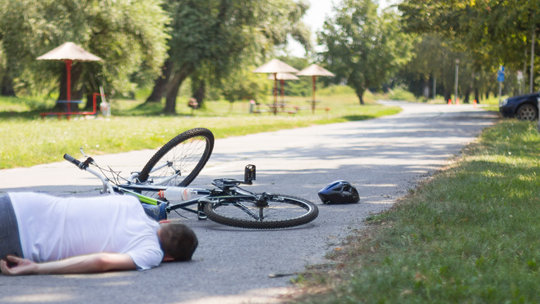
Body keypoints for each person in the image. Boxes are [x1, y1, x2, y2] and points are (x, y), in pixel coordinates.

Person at [0, 192, 198, 276]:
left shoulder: (130, 202)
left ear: (164, 222)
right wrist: (37, 269)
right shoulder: (151, 252)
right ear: (170, 258)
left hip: (19, 204)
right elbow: (103, 261)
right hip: (22, 243)